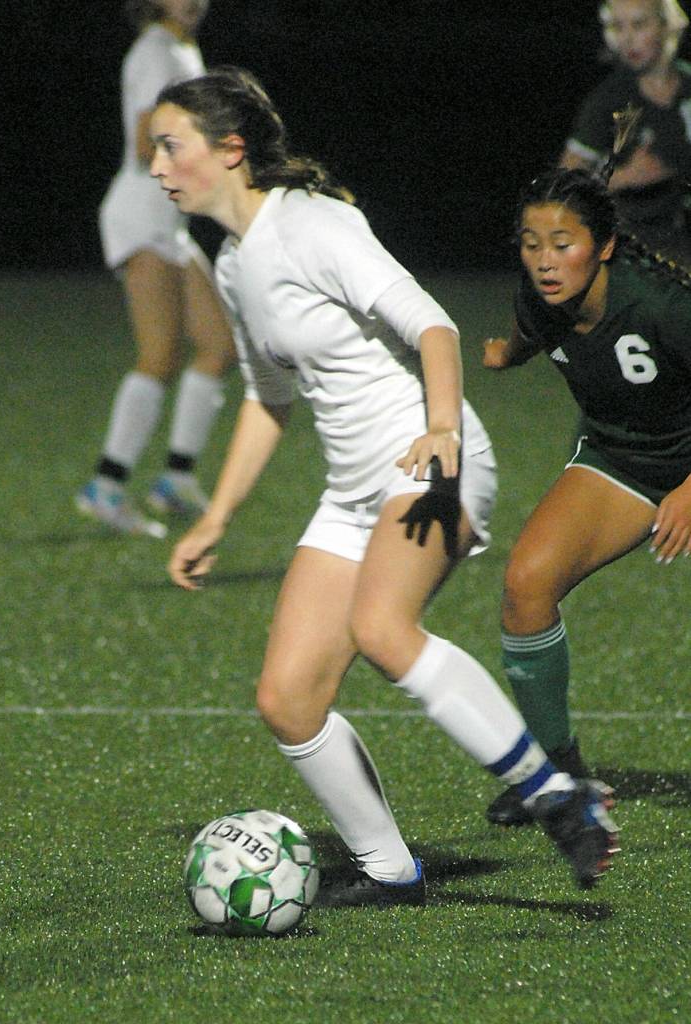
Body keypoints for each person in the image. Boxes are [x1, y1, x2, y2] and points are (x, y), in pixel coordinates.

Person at [152, 66, 619, 902]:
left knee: (381, 625)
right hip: (353, 490)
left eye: (169, 145)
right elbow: (268, 397)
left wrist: (441, 429)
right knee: (287, 698)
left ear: (228, 150)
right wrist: (216, 516)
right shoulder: (232, 265)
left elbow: (431, 323)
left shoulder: (315, 225)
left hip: (431, 459)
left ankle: (560, 797)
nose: (156, 165)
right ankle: (389, 870)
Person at [482, 164, 691, 827]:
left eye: (562, 243)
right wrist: (507, 354)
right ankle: (558, 777)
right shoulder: (539, 298)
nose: (545, 261)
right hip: (620, 461)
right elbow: (529, 333)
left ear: (603, 246)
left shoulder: (661, 304)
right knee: (526, 584)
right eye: (531, 242)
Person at [76, 0, 235, 538]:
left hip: (170, 223)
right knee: (160, 355)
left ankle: (175, 479)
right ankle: (106, 485)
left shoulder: (182, 48)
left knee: (218, 346)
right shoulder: (155, 50)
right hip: (142, 213)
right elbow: (147, 147)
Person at [560, 0, 691, 263]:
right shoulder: (610, 100)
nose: (627, 38)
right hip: (632, 249)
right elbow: (566, 181)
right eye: (618, 27)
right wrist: (624, 177)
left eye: (639, 24)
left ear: (669, 27)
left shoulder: (687, 87)